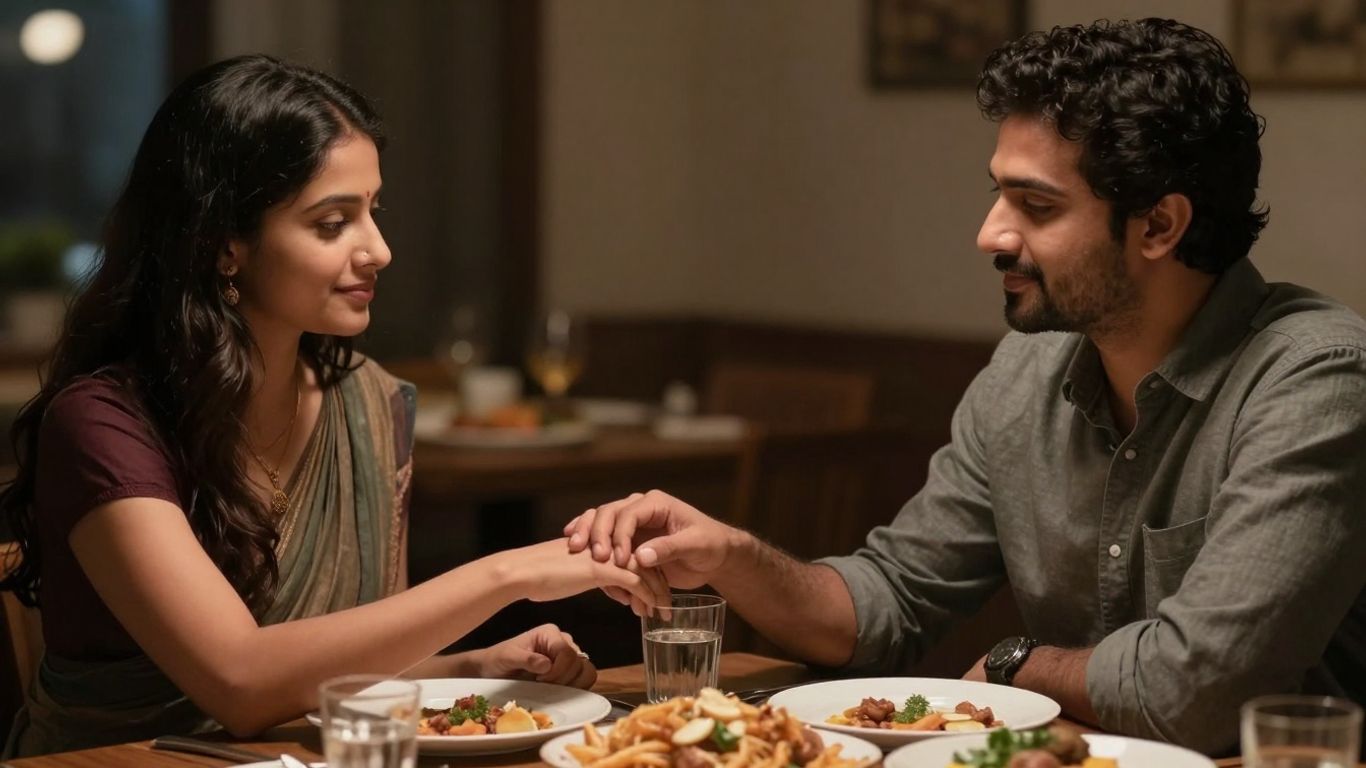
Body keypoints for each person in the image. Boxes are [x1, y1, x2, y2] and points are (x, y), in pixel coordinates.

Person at [565, 18, 1366, 756]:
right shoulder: (1027, 371)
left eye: (1036, 205)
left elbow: (1202, 688)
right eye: (999, 191)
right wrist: (736, 558)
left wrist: (1021, 662)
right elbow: (895, 601)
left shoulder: (1316, 380)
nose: (991, 233)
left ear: (1160, 226)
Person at [0, 54, 667, 758]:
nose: (378, 249)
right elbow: (241, 684)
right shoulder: (103, 424)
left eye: (373, 211)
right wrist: (510, 575)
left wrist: (474, 669)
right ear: (224, 246)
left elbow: (339, 678)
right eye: (331, 223)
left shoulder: (368, 403)